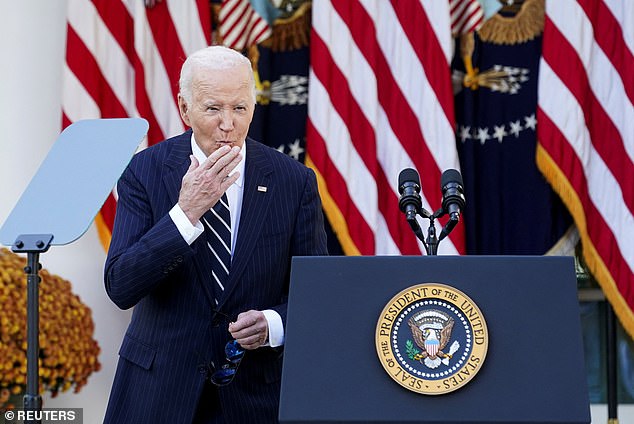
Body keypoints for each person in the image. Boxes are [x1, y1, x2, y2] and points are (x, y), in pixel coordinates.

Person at [103, 45, 328, 423]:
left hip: (254, 397)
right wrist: (185, 213)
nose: (229, 124)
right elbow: (121, 285)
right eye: (213, 108)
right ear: (184, 108)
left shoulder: (294, 180)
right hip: (158, 393)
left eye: (240, 108)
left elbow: (318, 293)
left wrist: (274, 323)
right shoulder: (145, 171)